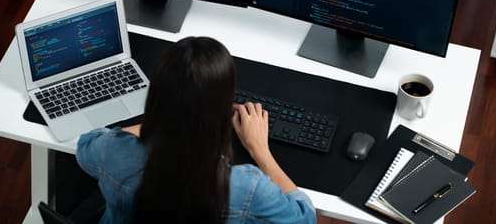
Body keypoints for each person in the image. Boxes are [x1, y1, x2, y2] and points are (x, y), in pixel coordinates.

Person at [76, 36, 316, 224]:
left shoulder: (112, 151)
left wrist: (157, 122)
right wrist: (260, 150)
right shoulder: (247, 188)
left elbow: (85, 146)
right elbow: (304, 217)